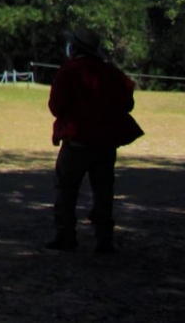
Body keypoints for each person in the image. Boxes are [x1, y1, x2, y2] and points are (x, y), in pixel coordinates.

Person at [46, 26, 143, 254]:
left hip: (77, 141)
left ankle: (66, 235)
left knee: (66, 189)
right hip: (106, 142)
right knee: (103, 191)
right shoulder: (111, 73)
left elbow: (56, 106)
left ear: (75, 48)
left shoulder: (69, 71)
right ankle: (104, 239)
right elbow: (127, 104)